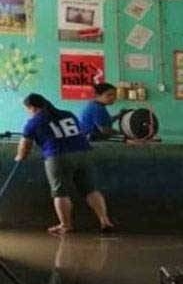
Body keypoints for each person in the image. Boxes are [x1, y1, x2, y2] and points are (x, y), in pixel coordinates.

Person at [16, 93, 114, 235]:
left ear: (32, 107)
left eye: (27, 109)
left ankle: (66, 225)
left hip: (58, 156)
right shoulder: (68, 114)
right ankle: (105, 221)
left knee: (60, 192)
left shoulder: (34, 122)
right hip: (83, 153)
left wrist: (20, 157)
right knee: (90, 190)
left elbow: (25, 147)